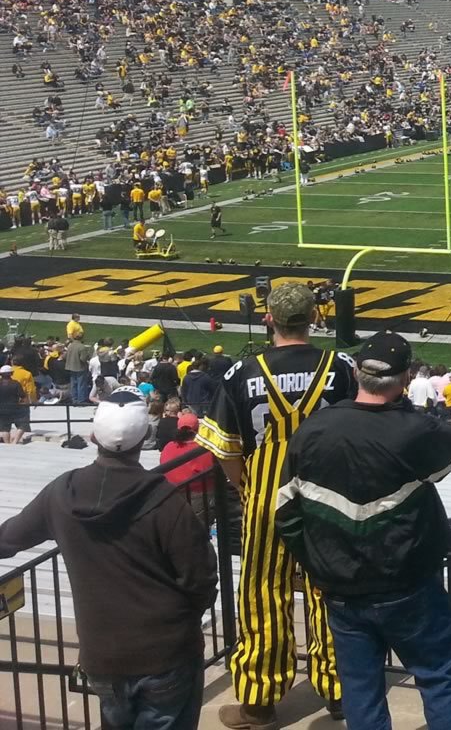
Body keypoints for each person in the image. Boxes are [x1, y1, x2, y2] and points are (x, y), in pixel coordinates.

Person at [275, 332, 451, 730]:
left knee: (361, 689)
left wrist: (317, 562)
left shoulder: (313, 429)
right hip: (409, 585)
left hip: (342, 585)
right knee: (439, 677)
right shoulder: (415, 430)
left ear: (357, 375)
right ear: (403, 379)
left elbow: (285, 513)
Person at [0, 387, 217, 730]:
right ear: (145, 436)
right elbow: (202, 578)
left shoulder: (62, 492)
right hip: (167, 654)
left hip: (102, 657)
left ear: (92, 436)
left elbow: (8, 538)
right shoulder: (166, 501)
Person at [197, 282, 358, 727]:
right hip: (327, 494)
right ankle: (342, 690)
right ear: (314, 317)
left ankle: (259, 699)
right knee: (330, 589)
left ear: (268, 318)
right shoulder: (339, 366)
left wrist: (247, 489)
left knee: (261, 593)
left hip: (267, 496)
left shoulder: (240, 372)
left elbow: (226, 449)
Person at [0, 365, 29, 443]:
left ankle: (7, 444)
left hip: (2, 409)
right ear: (11, 373)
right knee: (23, 424)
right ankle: (15, 442)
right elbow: (22, 396)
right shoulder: (15, 384)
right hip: (15, 408)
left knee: (5, 428)